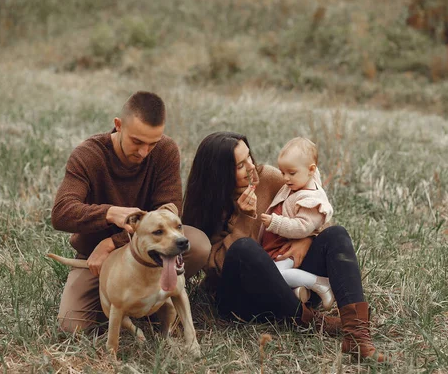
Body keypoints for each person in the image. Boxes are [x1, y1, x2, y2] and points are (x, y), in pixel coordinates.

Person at [182, 132, 387, 362]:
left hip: (295, 283)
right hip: (244, 300)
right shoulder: (207, 205)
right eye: (241, 165)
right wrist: (244, 218)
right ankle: (312, 321)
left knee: (336, 234)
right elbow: (216, 267)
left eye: (249, 156)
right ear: (219, 174)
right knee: (244, 248)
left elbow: (315, 208)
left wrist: (305, 239)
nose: (251, 166)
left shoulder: (269, 177)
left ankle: (357, 335)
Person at [51, 91, 211, 333]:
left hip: (151, 248)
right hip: (99, 259)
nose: (144, 152)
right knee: (71, 326)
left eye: (152, 144)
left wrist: (111, 241)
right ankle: (129, 302)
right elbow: (61, 212)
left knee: (198, 244)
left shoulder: (166, 150)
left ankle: (154, 298)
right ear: (118, 125)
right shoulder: (88, 155)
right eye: (137, 141)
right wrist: (109, 213)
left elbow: (169, 207)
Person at [259, 137, 334, 310]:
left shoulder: (311, 199)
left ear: (311, 170)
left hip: (288, 248)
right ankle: (299, 292)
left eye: (291, 173)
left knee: (273, 275)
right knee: (272, 277)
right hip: (276, 248)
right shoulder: (298, 183)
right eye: (282, 172)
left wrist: (275, 222)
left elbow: (302, 227)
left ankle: (320, 283)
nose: (285, 178)